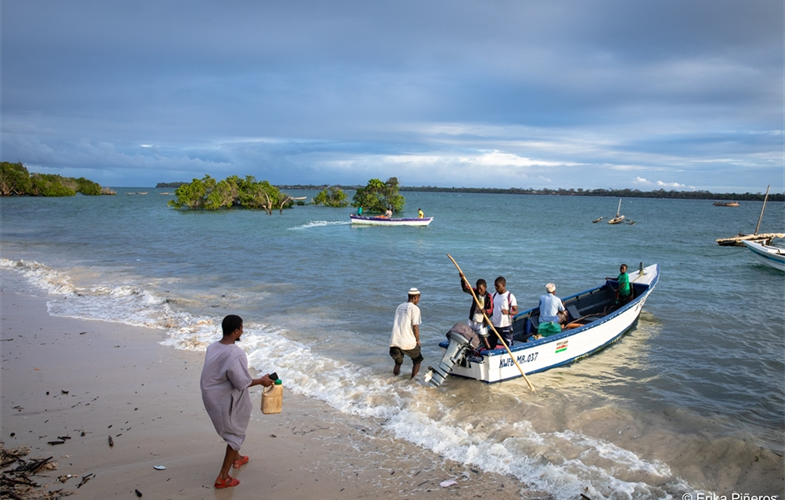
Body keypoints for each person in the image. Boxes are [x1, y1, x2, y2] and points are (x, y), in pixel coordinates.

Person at [200, 315, 275, 489]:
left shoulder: (213, 347)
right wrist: (262, 381)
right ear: (235, 331)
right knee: (236, 434)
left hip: (210, 395)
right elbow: (242, 383)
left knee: (233, 428)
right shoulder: (235, 353)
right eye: (241, 328)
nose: (243, 331)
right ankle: (222, 477)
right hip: (222, 399)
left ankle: (238, 458)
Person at [389, 288, 423, 379]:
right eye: (419, 298)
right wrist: (417, 340)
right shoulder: (415, 309)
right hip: (406, 341)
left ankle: (394, 379)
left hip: (395, 341)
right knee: (417, 359)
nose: (418, 301)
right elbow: (415, 326)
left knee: (398, 362)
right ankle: (413, 381)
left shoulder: (399, 307)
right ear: (416, 297)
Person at [459, 273, 495, 350]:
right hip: (473, 319)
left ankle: (489, 351)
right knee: (468, 336)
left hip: (481, 321)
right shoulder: (475, 292)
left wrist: (485, 310)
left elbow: (491, 309)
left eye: (481, 289)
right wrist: (463, 279)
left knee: (484, 338)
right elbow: (466, 289)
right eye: (478, 288)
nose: (479, 291)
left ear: (485, 288)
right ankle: (469, 350)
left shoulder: (488, 297)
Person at [490, 277, 517, 347]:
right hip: (495, 326)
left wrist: (508, 312)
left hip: (506, 327)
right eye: (495, 286)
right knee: (490, 345)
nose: (496, 288)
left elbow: (516, 311)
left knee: (509, 346)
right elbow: (491, 309)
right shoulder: (493, 295)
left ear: (503, 285)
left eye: (498, 286)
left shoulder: (510, 296)